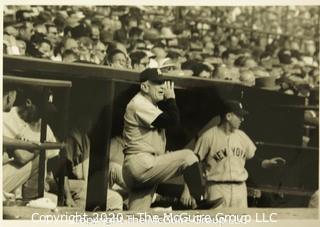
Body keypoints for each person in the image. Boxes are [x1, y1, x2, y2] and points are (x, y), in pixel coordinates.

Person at [122, 68, 223, 210]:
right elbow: (172, 121)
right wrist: (170, 99)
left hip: (141, 165)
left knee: (137, 217)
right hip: (141, 163)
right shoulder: (139, 103)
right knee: (188, 157)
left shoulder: (149, 104)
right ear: (144, 86)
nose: (163, 87)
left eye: (163, 83)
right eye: (157, 83)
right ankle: (200, 201)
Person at [194, 100, 286, 208]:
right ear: (228, 116)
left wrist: (266, 163)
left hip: (240, 189)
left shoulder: (242, 136)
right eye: (239, 116)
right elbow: (192, 162)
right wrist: (188, 189)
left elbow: (251, 158)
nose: (242, 119)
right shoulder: (208, 136)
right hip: (216, 189)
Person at [3, 86, 59, 201]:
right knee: (40, 157)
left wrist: (66, 195)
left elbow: (55, 161)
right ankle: (30, 200)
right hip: (4, 176)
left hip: (24, 183)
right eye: (41, 110)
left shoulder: (43, 126)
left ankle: (32, 199)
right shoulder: (6, 116)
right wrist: (38, 147)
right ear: (28, 103)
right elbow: (22, 157)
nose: (43, 115)